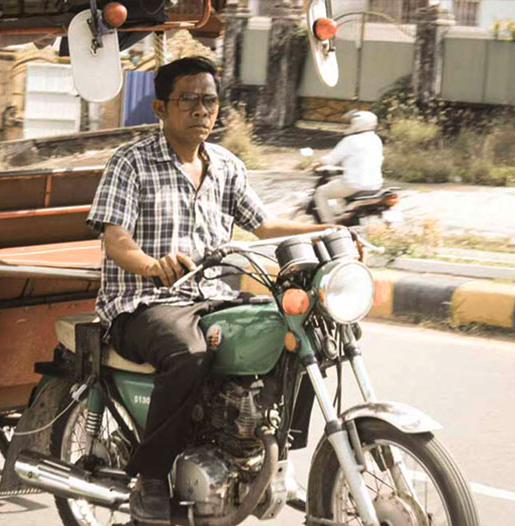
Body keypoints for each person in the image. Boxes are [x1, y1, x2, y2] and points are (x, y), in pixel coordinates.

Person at [87, 56, 334, 525]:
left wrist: (324, 231)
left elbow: (264, 226)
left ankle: (275, 455)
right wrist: (151, 265)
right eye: (189, 100)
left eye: (210, 100)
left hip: (212, 299)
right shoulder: (131, 162)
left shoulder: (226, 165)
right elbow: (115, 238)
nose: (202, 110)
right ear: (160, 107)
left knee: (299, 331)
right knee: (188, 353)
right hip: (144, 303)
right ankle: (152, 479)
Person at [313, 110, 384, 223]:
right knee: (338, 189)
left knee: (320, 192)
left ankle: (329, 225)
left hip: (354, 185)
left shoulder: (350, 140)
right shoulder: (376, 139)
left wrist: (317, 163)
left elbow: (331, 159)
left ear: (356, 123)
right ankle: (343, 216)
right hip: (376, 185)